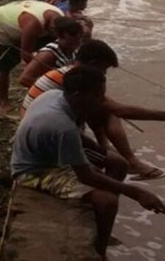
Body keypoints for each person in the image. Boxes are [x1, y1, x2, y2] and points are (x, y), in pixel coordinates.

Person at [12, 67, 165, 259]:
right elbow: (86, 175)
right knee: (107, 201)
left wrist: (102, 151)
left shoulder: (54, 95)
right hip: (35, 170)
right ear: (78, 94)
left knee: (118, 162)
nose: (101, 100)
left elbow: (77, 135)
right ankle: (100, 249)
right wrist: (137, 193)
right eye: (97, 95)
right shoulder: (61, 126)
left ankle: (103, 226)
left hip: (50, 150)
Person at [21, 40, 165, 180]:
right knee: (109, 118)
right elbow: (120, 110)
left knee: (101, 107)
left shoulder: (70, 73)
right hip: (46, 135)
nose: (104, 74)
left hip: (37, 124)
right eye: (104, 69)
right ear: (92, 63)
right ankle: (127, 162)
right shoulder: (77, 79)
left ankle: (108, 151)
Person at [0, 0, 64, 113]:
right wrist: (42, 78)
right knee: (2, 66)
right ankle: (3, 102)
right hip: (1, 25)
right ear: (51, 29)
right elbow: (26, 54)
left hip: (22, 19)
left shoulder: (60, 16)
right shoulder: (32, 25)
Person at [18, 17, 83, 89]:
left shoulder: (76, 49)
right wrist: (50, 89)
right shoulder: (48, 54)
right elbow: (24, 79)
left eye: (77, 41)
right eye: (69, 43)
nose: (74, 45)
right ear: (59, 36)